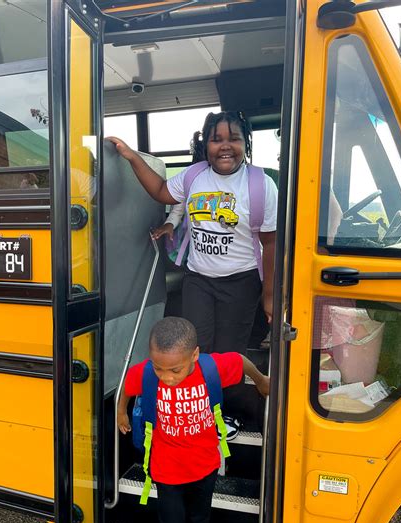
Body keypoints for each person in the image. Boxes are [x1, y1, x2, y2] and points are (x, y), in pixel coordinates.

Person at [108, 110, 276, 438]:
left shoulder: (260, 185)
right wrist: (131, 157)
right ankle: (197, 413)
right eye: (217, 140)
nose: (225, 147)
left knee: (227, 354)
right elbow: (159, 190)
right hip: (198, 279)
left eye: (233, 139)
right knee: (196, 347)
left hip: (241, 282)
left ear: (245, 143)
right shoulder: (193, 176)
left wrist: (269, 295)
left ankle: (220, 413)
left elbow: (271, 245)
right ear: (206, 144)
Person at [117, 317, 269, 523]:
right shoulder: (147, 373)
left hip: (203, 465)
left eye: (175, 370)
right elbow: (127, 387)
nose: (167, 377)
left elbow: (240, 361)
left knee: (200, 521)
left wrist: (262, 379)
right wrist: (121, 411)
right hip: (165, 467)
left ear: (195, 356)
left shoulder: (211, 369)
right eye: (159, 368)